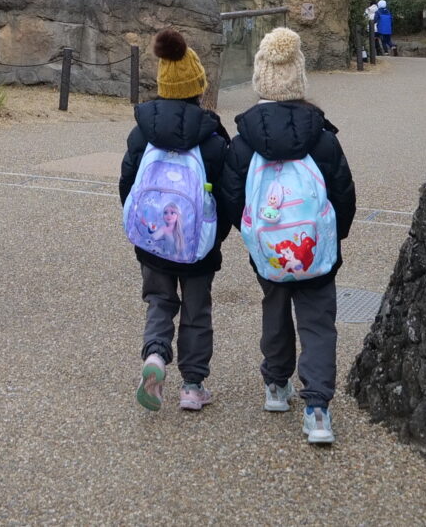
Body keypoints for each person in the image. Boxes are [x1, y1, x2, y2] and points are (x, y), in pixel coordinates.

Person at [219, 27, 357, 447]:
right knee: (318, 322)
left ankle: (276, 387)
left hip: (270, 253)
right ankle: (317, 409)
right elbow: (344, 195)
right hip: (316, 253)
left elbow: (230, 197)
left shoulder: (244, 143)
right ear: (299, 79)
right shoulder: (324, 139)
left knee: (275, 309)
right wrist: (333, 240)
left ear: (261, 78)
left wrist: (251, 238)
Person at [119, 28, 230, 413]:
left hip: (153, 243)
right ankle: (193, 386)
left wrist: (143, 235)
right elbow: (228, 195)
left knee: (160, 302)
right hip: (197, 246)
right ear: (198, 87)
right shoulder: (213, 139)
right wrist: (216, 237)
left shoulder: (141, 132)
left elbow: (127, 184)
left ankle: (154, 358)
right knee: (197, 311)